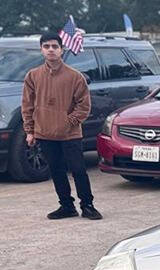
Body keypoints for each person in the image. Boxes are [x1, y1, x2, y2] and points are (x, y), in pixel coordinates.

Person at [22, 31, 101, 220]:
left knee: (78, 170)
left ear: (61, 49)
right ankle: (66, 206)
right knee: (56, 171)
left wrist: (69, 122)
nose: (51, 50)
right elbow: (27, 105)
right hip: (45, 133)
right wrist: (30, 131)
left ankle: (87, 205)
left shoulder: (75, 77)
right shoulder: (32, 76)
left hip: (70, 134)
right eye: (46, 46)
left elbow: (84, 105)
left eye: (54, 46)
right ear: (41, 49)